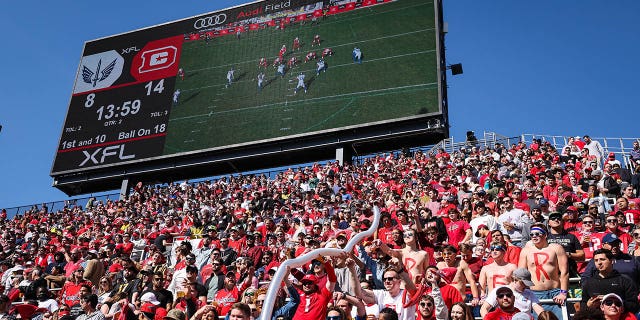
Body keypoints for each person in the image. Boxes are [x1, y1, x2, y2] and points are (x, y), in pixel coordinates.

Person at [517, 224, 568, 319]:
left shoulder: (556, 248)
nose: (534, 236)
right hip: (535, 293)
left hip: (555, 292)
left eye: (537, 233)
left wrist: (563, 293)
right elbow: (521, 274)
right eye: (531, 234)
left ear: (545, 235)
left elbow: (564, 272)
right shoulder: (526, 251)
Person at [580, 249, 639, 313]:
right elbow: (582, 307)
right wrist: (588, 305)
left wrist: (614, 302)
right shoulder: (588, 283)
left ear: (612, 261)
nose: (599, 263)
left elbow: (634, 306)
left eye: (602, 259)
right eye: (596, 260)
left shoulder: (624, 281)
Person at [291, 256, 336, 320]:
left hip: (322, 305)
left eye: (318, 263)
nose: (307, 285)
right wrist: (289, 257)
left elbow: (332, 279)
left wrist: (327, 263)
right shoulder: (307, 278)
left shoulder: (323, 291)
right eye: (314, 264)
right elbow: (293, 270)